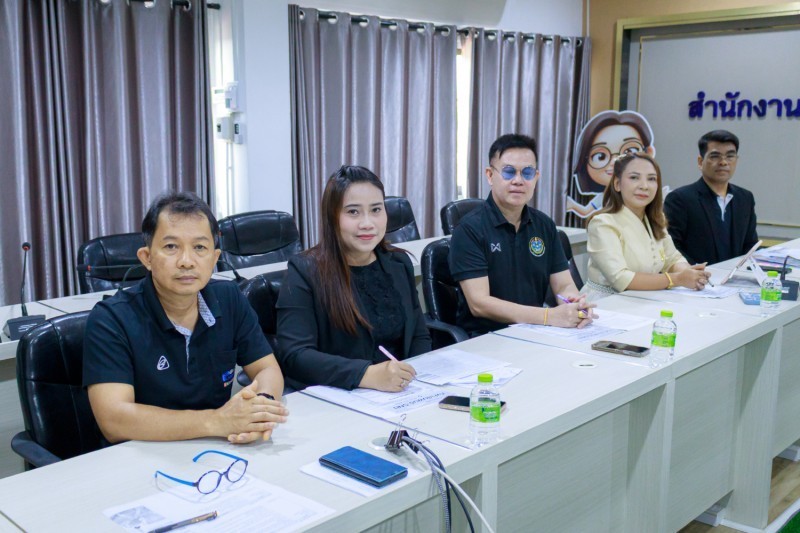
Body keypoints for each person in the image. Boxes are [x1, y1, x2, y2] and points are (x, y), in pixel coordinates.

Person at [83, 192, 288, 444]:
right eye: (171, 247)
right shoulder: (111, 319)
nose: (186, 261)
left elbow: (267, 368)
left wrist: (260, 411)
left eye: (199, 247)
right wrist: (216, 421)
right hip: (141, 454)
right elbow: (114, 420)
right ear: (147, 258)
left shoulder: (229, 298)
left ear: (214, 258)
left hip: (218, 447)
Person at [275, 165, 430, 391]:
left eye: (376, 210)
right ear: (332, 217)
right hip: (340, 395)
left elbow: (418, 335)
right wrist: (366, 375)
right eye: (353, 212)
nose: (367, 223)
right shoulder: (304, 271)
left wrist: (416, 377)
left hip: (401, 392)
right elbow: (295, 355)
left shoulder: (398, 262)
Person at [448, 133, 595, 337]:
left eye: (527, 173)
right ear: (490, 175)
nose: (518, 181)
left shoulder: (544, 225)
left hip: (535, 330)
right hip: (486, 338)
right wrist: (548, 316)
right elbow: (479, 304)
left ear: (536, 177)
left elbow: (563, 284)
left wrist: (574, 304)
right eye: (508, 172)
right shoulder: (469, 229)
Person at [583, 153, 710, 300]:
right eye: (634, 177)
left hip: (646, 298)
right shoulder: (603, 223)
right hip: (606, 302)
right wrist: (677, 279)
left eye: (651, 179)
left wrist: (689, 273)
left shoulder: (655, 218)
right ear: (617, 184)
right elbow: (620, 278)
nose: (644, 186)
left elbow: (673, 259)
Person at [664, 130, 758, 265]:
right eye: (715, 156)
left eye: (730, 156)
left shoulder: (745, 198)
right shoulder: (680, 199)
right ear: (700, 161)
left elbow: (750, 244)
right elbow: (673, 247)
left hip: (736, 276)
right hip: (697, 276)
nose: (723, 162)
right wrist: (697, 271)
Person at [566, 110, 656, 219]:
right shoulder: (603, 199)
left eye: (629, 151)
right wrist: (572, 205)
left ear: (649, 153)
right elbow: (585, 211)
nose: (615, 161)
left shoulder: (644, 196)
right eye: (600, 156)